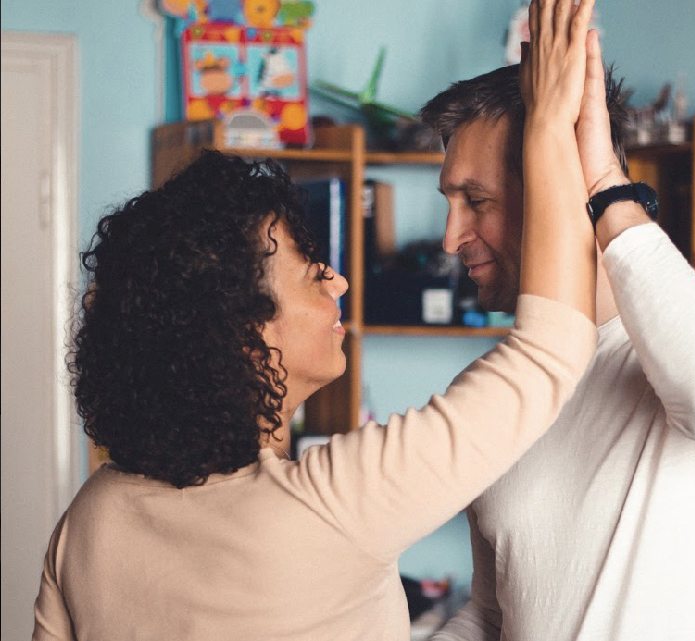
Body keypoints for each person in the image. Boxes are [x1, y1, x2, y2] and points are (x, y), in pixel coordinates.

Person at [31, 1, 600, 639]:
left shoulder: (90, 522)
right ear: (246, 333)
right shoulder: (326, 504)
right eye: (312, 272)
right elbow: (551, 350)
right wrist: (550, 126)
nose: (341, 281)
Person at [422, 17, 695, 641]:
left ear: (562, 186)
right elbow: (495, 614)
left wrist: (602, 179)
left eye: (477, 201)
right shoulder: (500, 388)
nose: (450, 237)